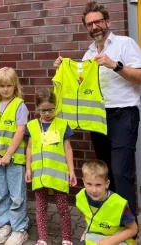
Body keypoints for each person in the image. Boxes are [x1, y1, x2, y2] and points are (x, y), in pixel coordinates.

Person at [54, 1, 141, 231]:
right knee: (106, 172)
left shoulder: (125, 44)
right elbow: (81, 83)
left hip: (123, 114)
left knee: (122, 173)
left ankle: (129, 228)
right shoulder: (89, 53)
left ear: (107, 22)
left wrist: (115, 65)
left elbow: (140, 77)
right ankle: (109, 222)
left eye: (98, 21)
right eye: (89, 24)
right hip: (98, 118)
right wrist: (64, 67)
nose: (94, 27)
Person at [25, 88, 77, 245]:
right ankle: (42, 239)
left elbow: (68, 149)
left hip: (58, 175)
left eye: (50, 109)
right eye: (43, 110)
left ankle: (67, 238)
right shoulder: (32, 126)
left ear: (55, 106)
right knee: (40, 208)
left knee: (62, 208)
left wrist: (72, 171)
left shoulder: (62, 125)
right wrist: (28, 168)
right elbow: (29, 148)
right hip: (40, 175)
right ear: (37, 109)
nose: (47, 113)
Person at [0, 67, 29, 245]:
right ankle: (4, 224)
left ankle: (19, 228)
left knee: (16, 194)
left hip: (14, 159)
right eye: (2, 85)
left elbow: (20, 130)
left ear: (15, 86)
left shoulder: (20, 105)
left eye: (9, 85)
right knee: (0, 193)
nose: (5, 89)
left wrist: (9, 153)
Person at [77, 160, 138, 245]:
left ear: (107, 183)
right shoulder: (81, 197)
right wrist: (84, 234)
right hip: (95, 239)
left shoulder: (118, 204)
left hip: (117, 241)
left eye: (98, 185)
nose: (94, 190)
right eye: (89, 184)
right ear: (83, 182)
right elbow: (91, 219)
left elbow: (134, 229)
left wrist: (109, 241)